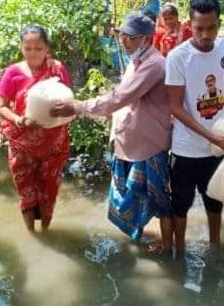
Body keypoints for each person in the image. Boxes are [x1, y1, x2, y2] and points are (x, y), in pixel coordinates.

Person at [50, 13, 173, 251]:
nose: (124, 41)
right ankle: (148, 237)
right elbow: (122, 100)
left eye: (130, 37)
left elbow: (120, 98)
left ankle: (168, 248)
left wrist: (78, 107)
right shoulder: (135, 63)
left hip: (149, 144)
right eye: (122, 36)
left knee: (160, 199)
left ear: (146, 39)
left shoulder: (154, 64)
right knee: (131, 194)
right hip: (131, 142)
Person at [165, 0, 224, 253]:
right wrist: (212, 137)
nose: (205, 34)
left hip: (217, 148)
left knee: (215, 201)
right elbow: (175, 106)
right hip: (186, 148)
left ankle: (216, 249)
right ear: (189, 24)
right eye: (199, 28)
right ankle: (180, 252)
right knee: (180, 204)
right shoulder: (177, 57)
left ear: (220, 23)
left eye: (211, 27)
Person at [0, 25, 71, 232]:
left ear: (47, 48)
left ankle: (45, 231)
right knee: (25, 189)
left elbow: (68, 100)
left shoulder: (57, 69)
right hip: (22, 143)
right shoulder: (13, 73)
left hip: (53, 142)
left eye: (38, 48)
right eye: (27, 48)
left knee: (49, 189)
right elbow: (0, 106)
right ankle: (31, 233)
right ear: (21, 48)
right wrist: (19, 120)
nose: (33, 53)